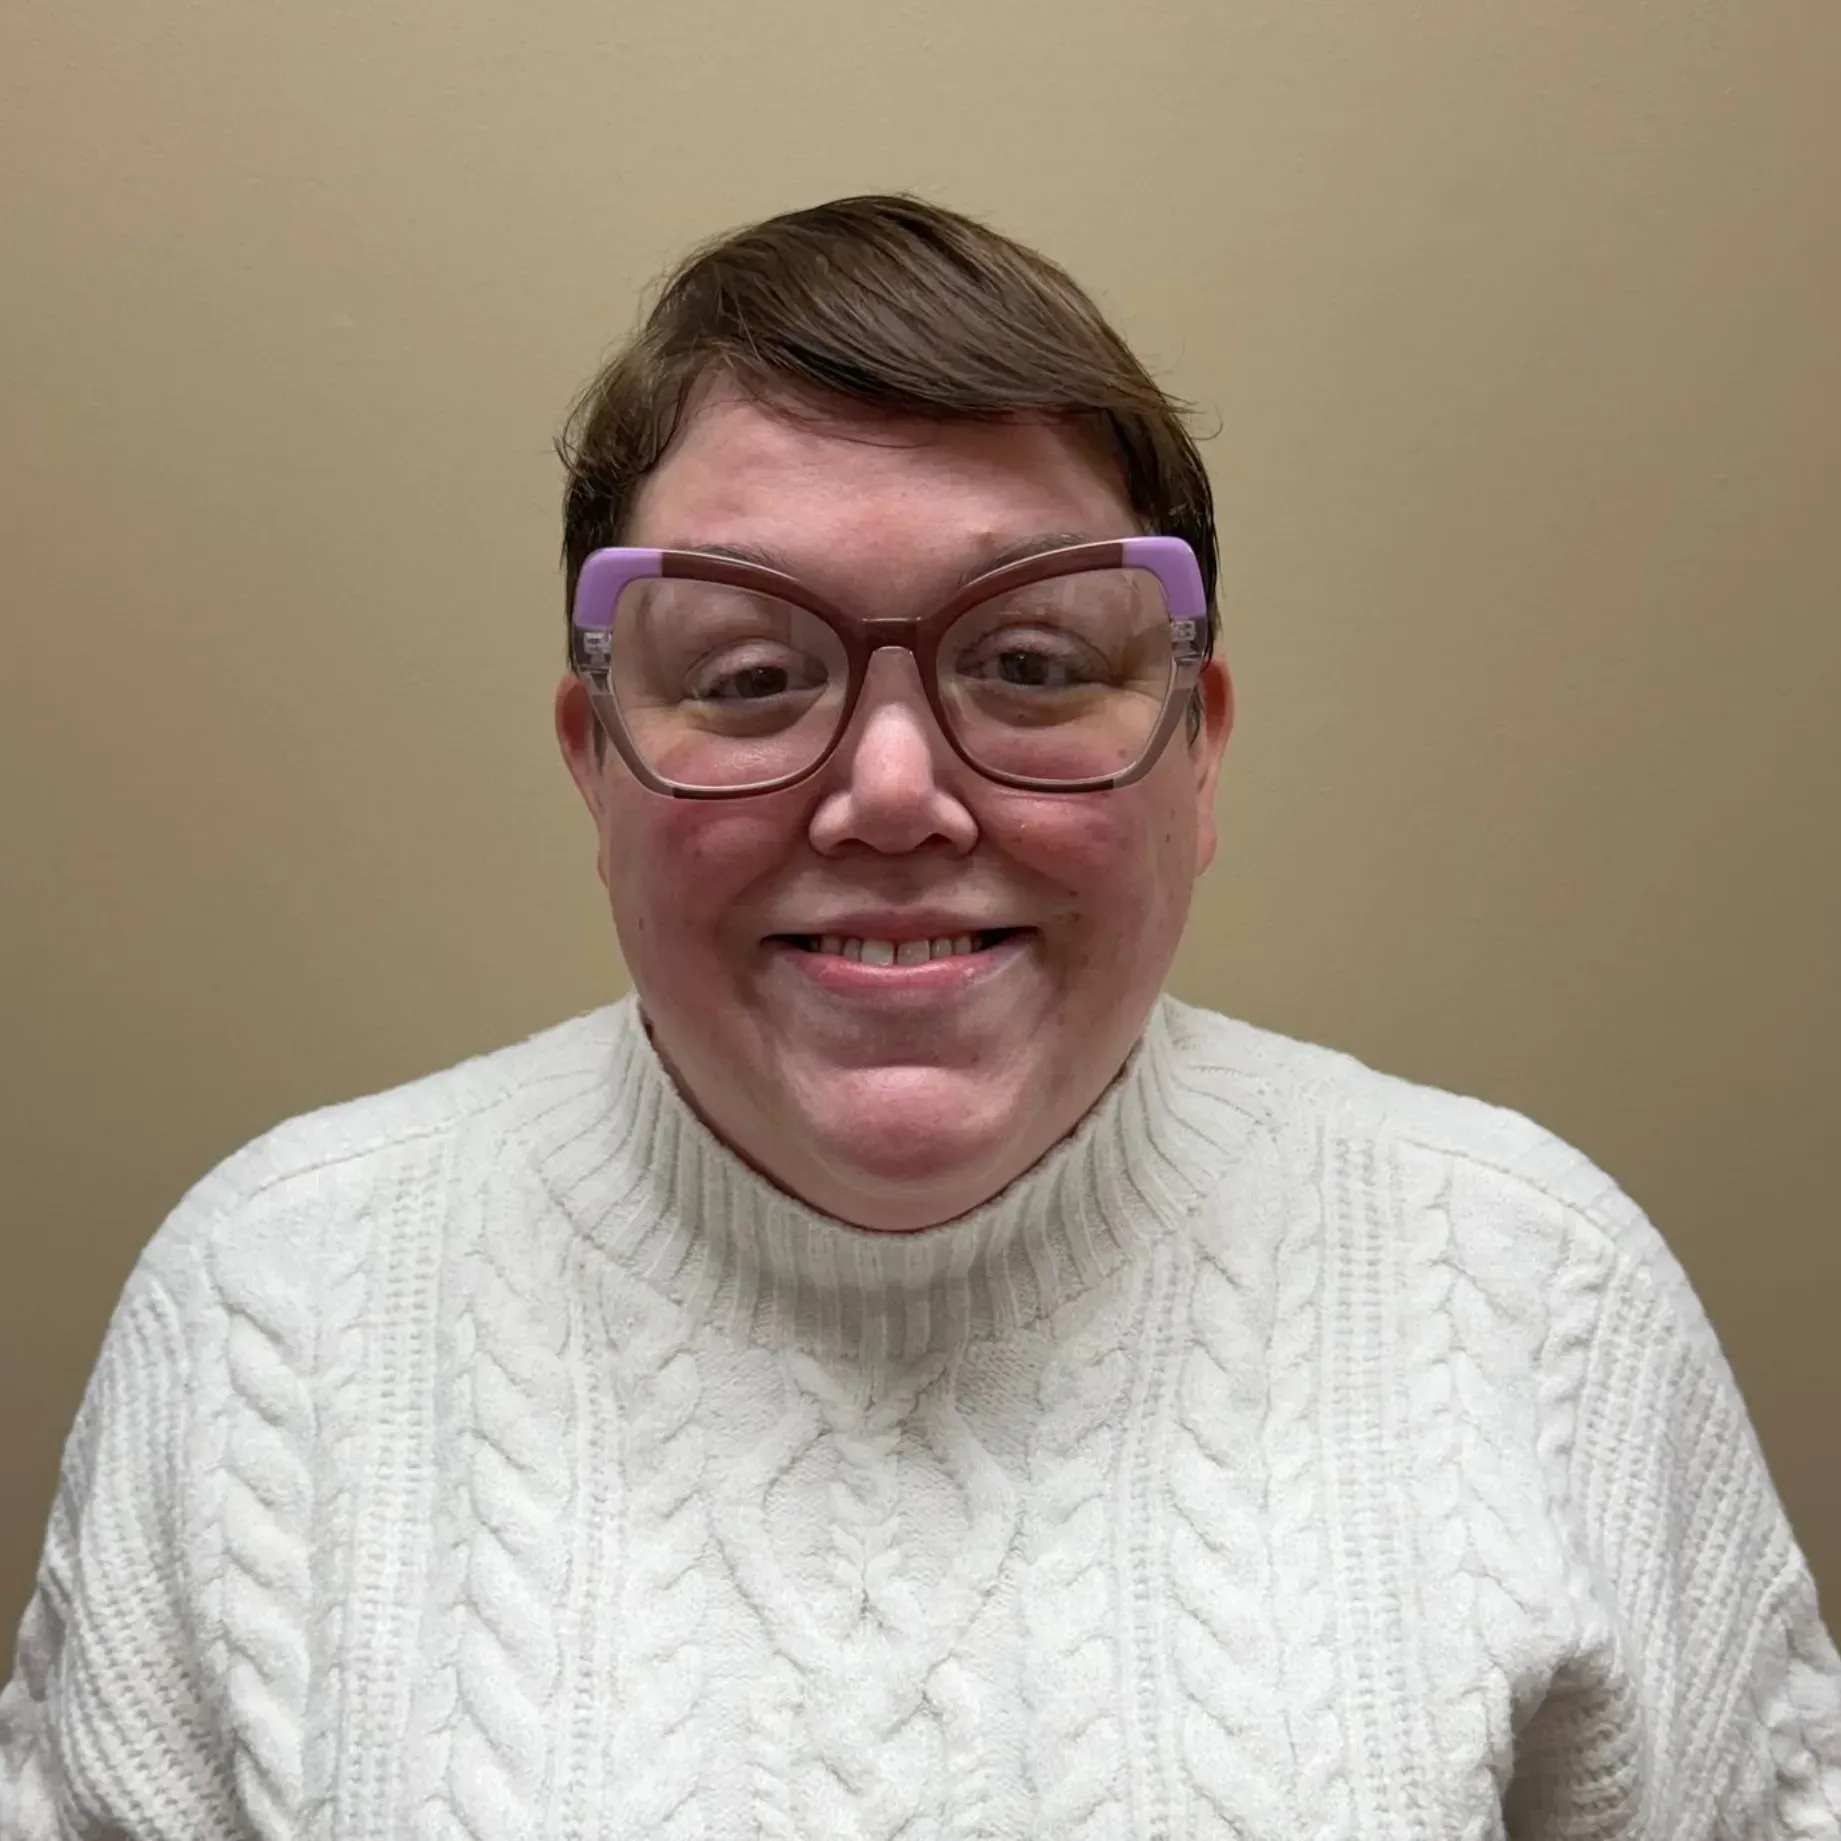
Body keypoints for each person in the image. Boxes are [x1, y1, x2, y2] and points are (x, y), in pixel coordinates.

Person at [2, 193, 1836, 1840]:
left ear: (1198, 753)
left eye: (1032, 664)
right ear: (596, 766)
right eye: (749, 674)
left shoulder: (1534, 1296)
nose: (891, 790)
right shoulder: (275, 1310)